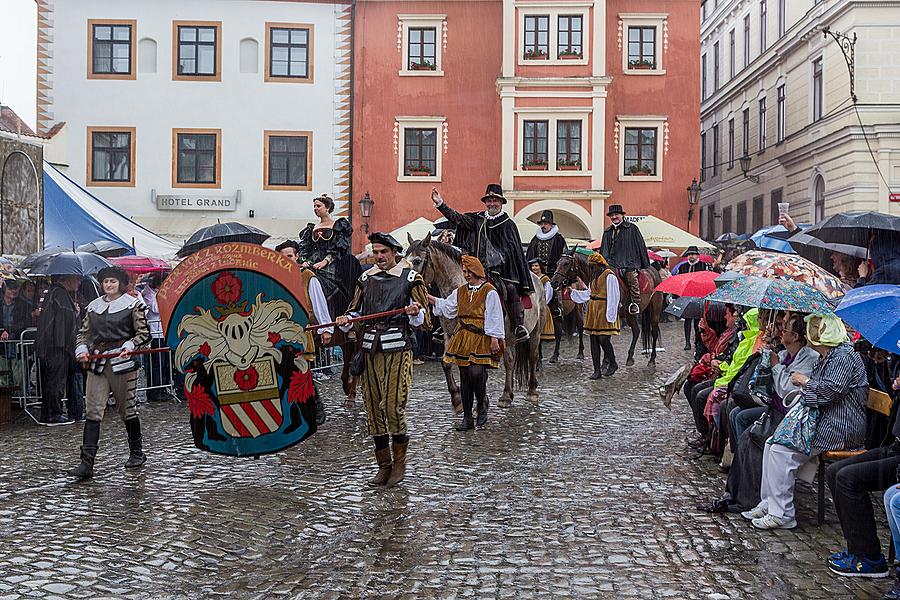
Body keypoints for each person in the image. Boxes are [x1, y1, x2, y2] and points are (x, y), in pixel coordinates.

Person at [744, 314, 868, 530]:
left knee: (782, 450)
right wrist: (809, 389)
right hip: (825, 420)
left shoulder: (843, 358)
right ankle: (770, 503)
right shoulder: (828, 357)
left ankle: (782, 514)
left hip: (840, 427)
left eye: (815, 328)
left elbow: (828, 392)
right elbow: (816, 394)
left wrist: (805, 382)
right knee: (771, 443)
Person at [336, 232, 430, 487]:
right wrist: (346, 319)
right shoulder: (365, 279)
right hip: (369, 351)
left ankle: (399, 464)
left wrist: (415, 311)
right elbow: (355, 310)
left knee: (392, 405)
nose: (379, 257)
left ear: (394, 252)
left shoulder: (411, 278)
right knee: (373, 409)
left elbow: (424, 320)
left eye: (383, 253)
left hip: (398, 349)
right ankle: (383, 466)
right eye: (375, 253)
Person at [70, 266, 151, 480]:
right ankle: (86, 464)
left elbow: (144, 334)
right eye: (106, 282)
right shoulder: (93, 307)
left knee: (127, 410)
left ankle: (136, 453)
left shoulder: (133, 305)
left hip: (122, 362)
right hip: (98, 363)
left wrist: (131, 345)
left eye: (113, 282)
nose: (109, 285)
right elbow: (84, 334)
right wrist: (82, 349)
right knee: (93, 411)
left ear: (120, 284)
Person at [431, 185, 533, 342]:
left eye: (495, 200)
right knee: (456, 287)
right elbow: (457, 218)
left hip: (501, 270)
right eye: (489, 200)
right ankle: (448, 324)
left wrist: (496, 260)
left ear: (501, 202)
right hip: (475, 269)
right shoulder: (477, 219)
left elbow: (513, 250)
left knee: (511, 288)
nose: (492, 203)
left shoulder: (508, 224)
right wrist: (440, 204)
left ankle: (518, 325)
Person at [826, 365, 900, 579]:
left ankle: (870, 558)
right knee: (835, 471)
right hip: (894, 447)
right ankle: (856, 548)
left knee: (849, 478)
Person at [429, 255, 504, 430]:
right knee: (465, 376)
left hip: (481, 337)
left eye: (469, 271)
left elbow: (494, 315)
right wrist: (428, 297)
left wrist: (494, 338)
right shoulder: (460, 291)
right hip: (463, 336)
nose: (466, 274)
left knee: (477, 374)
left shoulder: (489, 291)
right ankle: (468, 417)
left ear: (477, 271)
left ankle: (482, 405)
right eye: (464, 271)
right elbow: (447, 307)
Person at [278, 238, 332, 425]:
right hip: (281, 335)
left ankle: (317, 409)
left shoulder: (307, 276)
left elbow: (318, 303)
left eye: (290, 256)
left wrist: (326, 328)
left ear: (297, 256)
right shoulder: (277, 278)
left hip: (301, 332)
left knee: (302, 373)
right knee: (287, 375)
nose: (288, 260)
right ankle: (297, 411)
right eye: (283, 257)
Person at [298, 194, 362, 321]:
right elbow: (307, 249)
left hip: (335, 261)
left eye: (318, 206)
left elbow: (339, 247)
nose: (315, 209)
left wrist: (326, 261)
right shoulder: (312, 228)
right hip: (315, 261)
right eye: (314, 206)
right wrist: (305, 261)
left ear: (327, 208)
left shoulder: (338, 225)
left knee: (331, 285)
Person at [35, 275, 81, 425]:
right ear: (68, 279)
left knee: (52, 381)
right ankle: (54, 414)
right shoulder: (59, 294)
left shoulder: (54, 292)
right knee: (56, 382)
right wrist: (75, 314)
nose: (78, 282)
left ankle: (49, 414)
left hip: (53, 345)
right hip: (57, 346)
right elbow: (64, 322)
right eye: (77, 279)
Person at [570, 253, 620, 379]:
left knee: (603, 339)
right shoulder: (594, 277)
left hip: (604, 309)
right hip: (593, 310)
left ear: (600, 265)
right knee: (593, 340)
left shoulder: (609, 276)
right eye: (590, 267)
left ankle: (612, 362)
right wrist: (573, 292)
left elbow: (614, 295)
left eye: (593, 267)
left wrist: (611, 314)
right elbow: (589, 293)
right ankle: (596, 370)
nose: (591, 269)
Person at [599, 204, 649, 315]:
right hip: (612, 263)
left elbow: (641, 245)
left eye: (616, 214)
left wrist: (643, 263)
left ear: (622, 215)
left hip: (629, 262)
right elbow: (603, 250)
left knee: (631, 277)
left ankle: (635, 303)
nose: (614, 217)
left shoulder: (632, 228)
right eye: (611, 215)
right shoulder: (607, 232)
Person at [526, 211, 567, 320]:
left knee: (556, 289)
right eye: (542, 224)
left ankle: (558, 310)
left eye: (546, 223)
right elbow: (529, 256)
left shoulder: (559, 239)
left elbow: (564, 257)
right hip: (536, 273)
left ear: (551, 225)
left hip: (554, 273)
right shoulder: (535, 239)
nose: (543, 226)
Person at [140, 271, 172, 402]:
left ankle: (163, 388)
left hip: (163, 332)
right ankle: (155, 390)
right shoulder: (147, 293)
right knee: (156, 364)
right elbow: (156, 309)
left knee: (164, 363)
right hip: (154, 333)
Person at [0, 281, 33, 387]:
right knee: (3, 376)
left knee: (18, 377)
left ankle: (19, 400)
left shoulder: (24, 305)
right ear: (5, 289)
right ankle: (5, 402)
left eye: (15, 288)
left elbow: (25, 322)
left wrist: (9, 331)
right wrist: (2, 332)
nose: (13, 291)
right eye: (10, 289)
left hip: (17, 342)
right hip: (1, 344)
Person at [679, 246, 710, 351]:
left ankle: (697, 341)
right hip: (686, 296)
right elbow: (679, 280)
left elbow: (706, 280)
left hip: (699, 296)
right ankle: (687, 342)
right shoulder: (682, 267)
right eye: (689, 254)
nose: (691, 256)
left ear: (697, 255)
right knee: (687, 321)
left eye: (693, 254)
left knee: (697, 322)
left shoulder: (703, 265)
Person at [529, 258, 555, 344]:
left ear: (540, 267)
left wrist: (542, 303)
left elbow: (549, 294)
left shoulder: (545, 279)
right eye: (532, 266)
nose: (534, 268)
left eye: (536, 266)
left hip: (541, 304)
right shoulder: (530, 278)